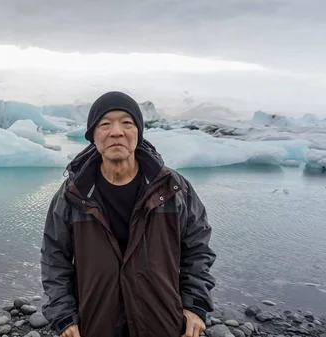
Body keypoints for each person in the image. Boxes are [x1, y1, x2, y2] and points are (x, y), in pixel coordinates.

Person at [40, 91, 216, 337]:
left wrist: (194, 306)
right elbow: (54, 258)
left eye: (126, 123)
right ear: (93, 136)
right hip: (95, 323)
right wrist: (64, 317)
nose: (116, 132)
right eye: (105, 124)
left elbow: (197, 251)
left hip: (161, 322)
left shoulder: (172, 189)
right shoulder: (73, 195)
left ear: (138, 132)